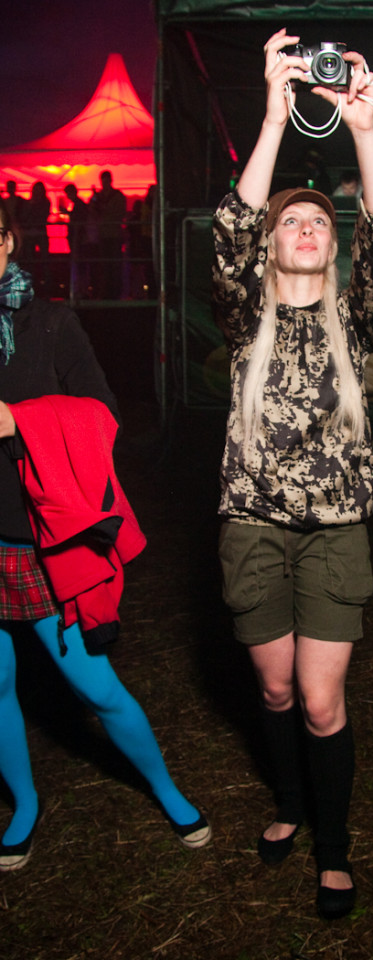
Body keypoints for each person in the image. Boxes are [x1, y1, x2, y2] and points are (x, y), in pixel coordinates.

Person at [211, 29, 373, 920]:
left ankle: (333, 848)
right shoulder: (243, 317)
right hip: (252, 528)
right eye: (291, 220)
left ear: (332, 248)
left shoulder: (353, 319)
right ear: (273, 245)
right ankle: (288, 802)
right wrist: (271, 116)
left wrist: (363, 130)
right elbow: (229, 229)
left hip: (335, 533)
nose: (305, 227)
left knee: (323, 703)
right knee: (275, 689)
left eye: (319, 223)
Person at [0, 198, 210, 872]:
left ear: (9, 241)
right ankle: (24, 805)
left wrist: (19, 422)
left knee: (94, 688)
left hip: (37, 541)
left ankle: (167, 789)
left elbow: (103, 411)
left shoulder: (51, 322)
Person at [90, 170, 127, 299]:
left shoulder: (117, 196)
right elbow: (91, 208)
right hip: (103, 234)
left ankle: (115, 291)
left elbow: (120, 213)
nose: (104, 183)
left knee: (114, 264)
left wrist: (104, 211)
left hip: (114, 234)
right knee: (105, 265)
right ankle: (107, 291)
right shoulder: (99, 196)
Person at [60, 183, 90, 301]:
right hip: (77, 238)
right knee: (80, 264)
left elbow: (78, 220)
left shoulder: (78, 204)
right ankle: (81, 289)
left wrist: (67, 213)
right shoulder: (78, 204)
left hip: (77, 238)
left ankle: (81, 290)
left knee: (79, 264)